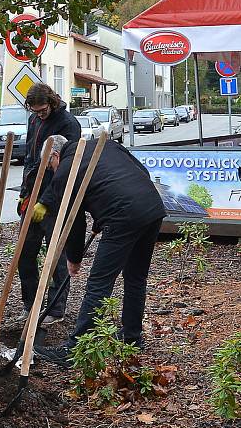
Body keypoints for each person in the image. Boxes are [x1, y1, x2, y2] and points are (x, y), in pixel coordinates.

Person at [32, 138, 166, 367]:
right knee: (136, 278)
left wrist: (73, 259)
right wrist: (101, 213)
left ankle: (77, 349)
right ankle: (132, 335)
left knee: (99, 282)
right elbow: (137, 170)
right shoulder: (103, 144)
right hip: (151, 206)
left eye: (49, 166)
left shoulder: (66, 170)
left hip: (122, 216)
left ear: (54, 156)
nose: (52, 170)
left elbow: (73, 222)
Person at [17, 83, 81, 324]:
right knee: (25, 254)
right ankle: (30, 304)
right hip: (31, 196)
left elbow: (65, 168)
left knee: (56, 256)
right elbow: (31, 160)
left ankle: (55, 309)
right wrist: (25, 193)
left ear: (52, 102)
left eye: (42, 110)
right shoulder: (34, 121)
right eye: (34, 111)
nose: (39, 114)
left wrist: (45, 201)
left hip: (55, 199)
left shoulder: (68, 124)